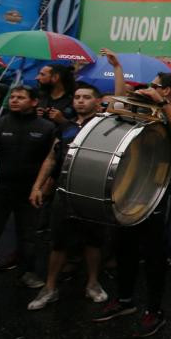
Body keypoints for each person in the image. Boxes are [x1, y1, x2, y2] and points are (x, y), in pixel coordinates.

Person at [92, 67, 171, 337]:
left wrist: (161, 104)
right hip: (132, 184)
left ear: (166, 91)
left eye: (154, 84)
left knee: (153, 251)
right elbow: (116, 104)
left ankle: (154, 309)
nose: (149, 87)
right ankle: (124, 299)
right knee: (124, 243)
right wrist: (117, 70)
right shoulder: (145, 108)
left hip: (160, 189)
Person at [0, 86, 56, 298]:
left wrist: (42, 188)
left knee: (28, 235)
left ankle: (27, 273)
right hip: (0, 189)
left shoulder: (46, 127)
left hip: (29, 191)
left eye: (21, 97)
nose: (14, 100)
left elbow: (50, 160)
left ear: (34, 102)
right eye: (12, 97)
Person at [27, 82, 109, 310]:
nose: (80, 101)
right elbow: (51, 159)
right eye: (77, 97)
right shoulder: (64, 128)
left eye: (86, 97)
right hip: (64, 193)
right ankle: (50, 288)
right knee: (58, 242)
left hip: (92, 192)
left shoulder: (104, 127)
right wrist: (38, 186)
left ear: (97, 101)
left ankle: (93, 284)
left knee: (93, 241)